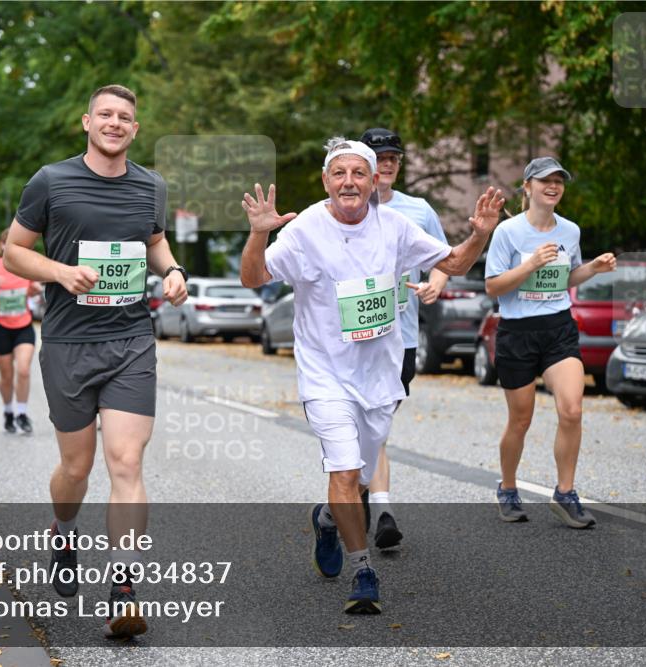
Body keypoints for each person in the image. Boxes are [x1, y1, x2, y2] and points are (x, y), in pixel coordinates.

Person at [239, 137, 504, 615]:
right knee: (342, 471)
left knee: (358, 476)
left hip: (380, 376)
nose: (349, 181)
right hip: (325, 375)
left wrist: (480, 233)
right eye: (339, 173)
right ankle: (363, 570)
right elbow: (254, 278)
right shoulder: (305, 231)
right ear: (326, 181)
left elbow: (455, 263)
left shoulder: (396, 227)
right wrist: (259, 233)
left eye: (359, 173)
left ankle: (325, 520)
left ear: (374, 180)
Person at [3, 84, 188, 640]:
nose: (114, 123)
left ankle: (124, 588)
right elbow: (14, 249)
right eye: (105, 114)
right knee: (77, 470)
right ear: (87, 122)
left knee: (126, 463)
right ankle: (63, 531)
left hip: (131, 339)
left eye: (124, 117)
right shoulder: (51, 181)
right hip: (67, 343)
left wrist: (172, 270)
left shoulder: (151, 186)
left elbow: (155, 242)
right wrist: (59, 272)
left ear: (136, 129)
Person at [485, 157, 616, 528]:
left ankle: (565, 492)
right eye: (544, 180)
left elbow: (567, 278)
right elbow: (492, 286)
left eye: (559, 181)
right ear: (527, 187)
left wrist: (593, 269)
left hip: (558, 328)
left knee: (572, 410)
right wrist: (529, 266)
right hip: (517, 332)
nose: (553, 186)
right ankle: (508, 488)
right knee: (521, 419)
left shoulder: (570, 231)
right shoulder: (508, 233)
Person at [357, 128, 450, 551]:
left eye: (394, 155)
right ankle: (376, 502)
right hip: (351, 338)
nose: (389, 162)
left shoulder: (418, 210)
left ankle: (368, 499)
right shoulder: (343, 207)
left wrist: (436, 284)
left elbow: (444, 260)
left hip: (401, 338)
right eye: (381, 155)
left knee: (376, 425)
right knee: (365, 425)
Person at [0, 229, 42, 435]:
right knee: (7, 376)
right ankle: (8, 412)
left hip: (23, 326)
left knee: (23, 370)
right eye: (6, 242)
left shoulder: (26, 267)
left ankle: (22, 413)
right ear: (2, 245)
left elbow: (34, 287)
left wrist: (36, 289)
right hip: (1, 328)